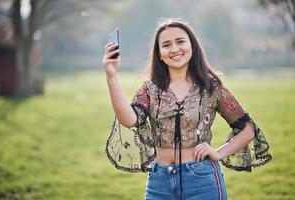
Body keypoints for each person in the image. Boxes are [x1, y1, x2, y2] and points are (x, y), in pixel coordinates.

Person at [102, 18, 272, 200]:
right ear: (159, 54)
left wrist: (219, 152)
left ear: (192, 46)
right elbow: (129, 119)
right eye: (166, 45)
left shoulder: (210, 87)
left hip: (202, 181)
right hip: (159, 182)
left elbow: (248, 129)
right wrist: (112, 77)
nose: (174, 49)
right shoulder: (150, 89)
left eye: (180, 41)